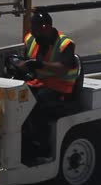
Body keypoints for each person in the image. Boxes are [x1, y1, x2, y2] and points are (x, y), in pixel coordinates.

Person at [17, 10, 79, 159]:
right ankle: (22, 141)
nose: (36, 36)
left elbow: (62, 67)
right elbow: (24, 57)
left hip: (60, 88)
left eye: (39, 32)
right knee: (17, 100)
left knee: (39, 104)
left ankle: (42, 146)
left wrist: (38, 64)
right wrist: (21, 65)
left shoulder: (65, 44)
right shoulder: (31, 39)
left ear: (47, 28)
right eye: (34, 31)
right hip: (37, 83)